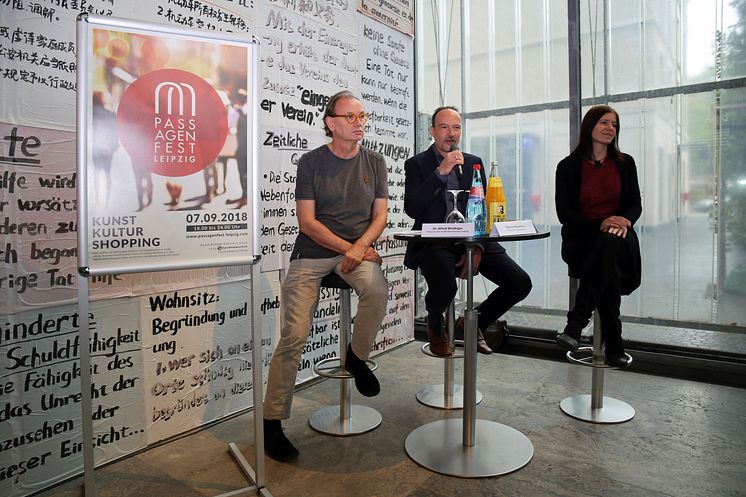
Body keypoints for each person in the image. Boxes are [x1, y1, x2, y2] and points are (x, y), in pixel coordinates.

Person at [263, 91, 389, 461]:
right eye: (350, 117)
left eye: (362, 115)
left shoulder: (376, 161)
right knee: (294, 336)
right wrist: (349, 248)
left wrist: (360, 246)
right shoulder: (311, 163)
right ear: (331, 123)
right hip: (314, 253)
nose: (359, 122)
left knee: (377, 289)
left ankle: (356, 355)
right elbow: (308, 223)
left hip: (355, 251)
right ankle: (272, 422)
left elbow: (380, 217)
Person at [403, 106, 532, 357]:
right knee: (446, 287)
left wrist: (477, 248)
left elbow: (481, 207)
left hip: (471, 237)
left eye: (456, 127)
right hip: (435, 240)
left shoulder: (473, 162)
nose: (451, 134)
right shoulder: (417, 164)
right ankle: (435, 323)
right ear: (432, 131)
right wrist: (441, 172)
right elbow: (413, 208)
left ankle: (473, 324)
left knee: (519, 282)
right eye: (444, 127)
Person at [554, 105, 642, 368]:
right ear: (589, 126)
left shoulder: (626, 163)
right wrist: (601, 223)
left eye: (614, 124)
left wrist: (623, 220)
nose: (610, 129)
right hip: (581, 240)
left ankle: (576, 323)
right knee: (607, 262)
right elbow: (565, 214)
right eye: (604, 122)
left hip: (620, 240)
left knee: (610, 244)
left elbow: (635, 204)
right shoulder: (568, 166)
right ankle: (614, 341)